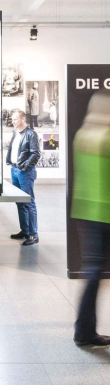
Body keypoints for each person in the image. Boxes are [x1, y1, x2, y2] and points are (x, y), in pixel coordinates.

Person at [73, 90, 110, 348]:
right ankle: (84, 332)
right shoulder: (107, 138)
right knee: (96, 272)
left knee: (93, 272)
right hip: (105, 211)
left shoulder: (81, 136)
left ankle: (84, 330)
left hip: (85, 211)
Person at [6, 110, 41, 246]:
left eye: (15, 119)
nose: (13, 121)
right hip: (15, 170)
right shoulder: (16, 133)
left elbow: (36, 154)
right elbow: (12, 150)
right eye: (12, 119)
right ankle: (25, 231)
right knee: (19, 201)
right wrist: (10, 162)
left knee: (29, 202)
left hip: (24, 172)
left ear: (23, 118)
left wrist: (25, 166)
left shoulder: (31, 134)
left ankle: (33, 235)